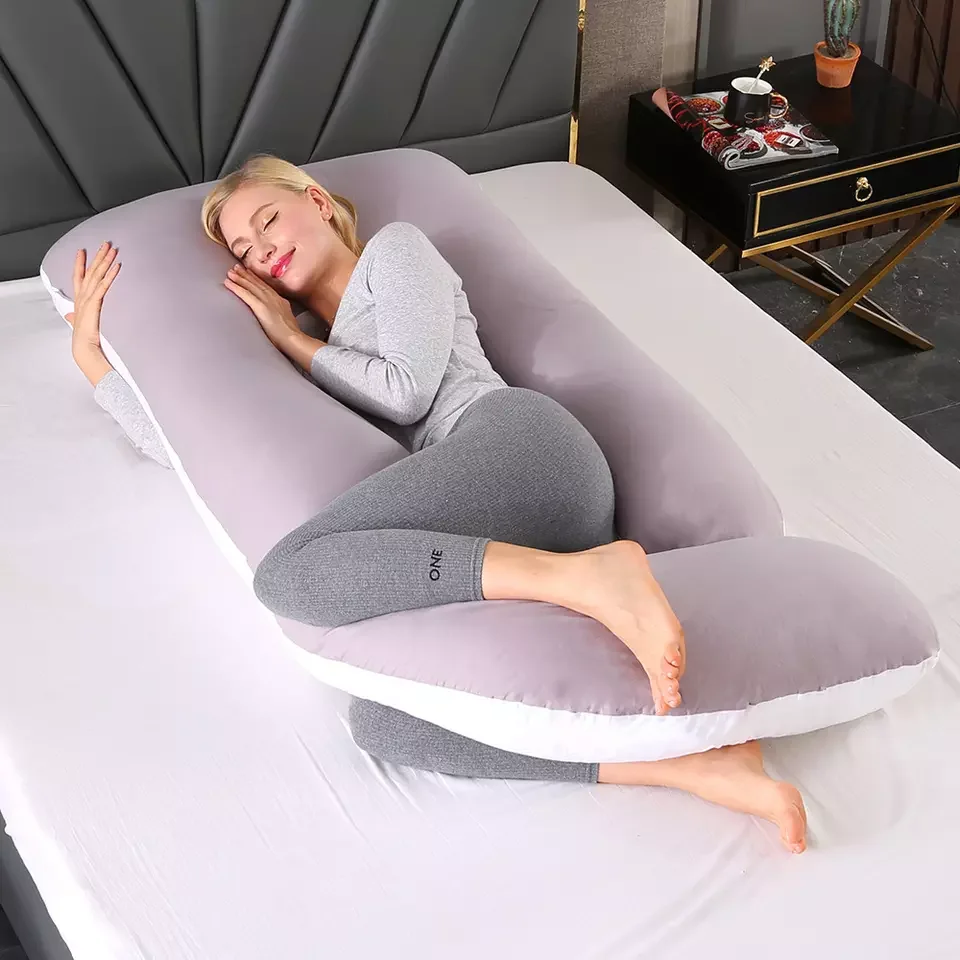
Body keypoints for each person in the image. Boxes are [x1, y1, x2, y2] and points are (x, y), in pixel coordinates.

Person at [67, 154, 807, 854]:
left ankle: (591, 574)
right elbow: (206, 454)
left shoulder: (394, 253)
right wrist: (96, 362)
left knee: (288, 575)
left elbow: (407, 391)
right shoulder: (306, 350)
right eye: (243, 250)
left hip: (527, 452)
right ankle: (690, 765)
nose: (261, 250)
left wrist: (292, 341)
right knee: (384, 723)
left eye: (268, 221)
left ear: (317, 202)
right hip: (497, 535)